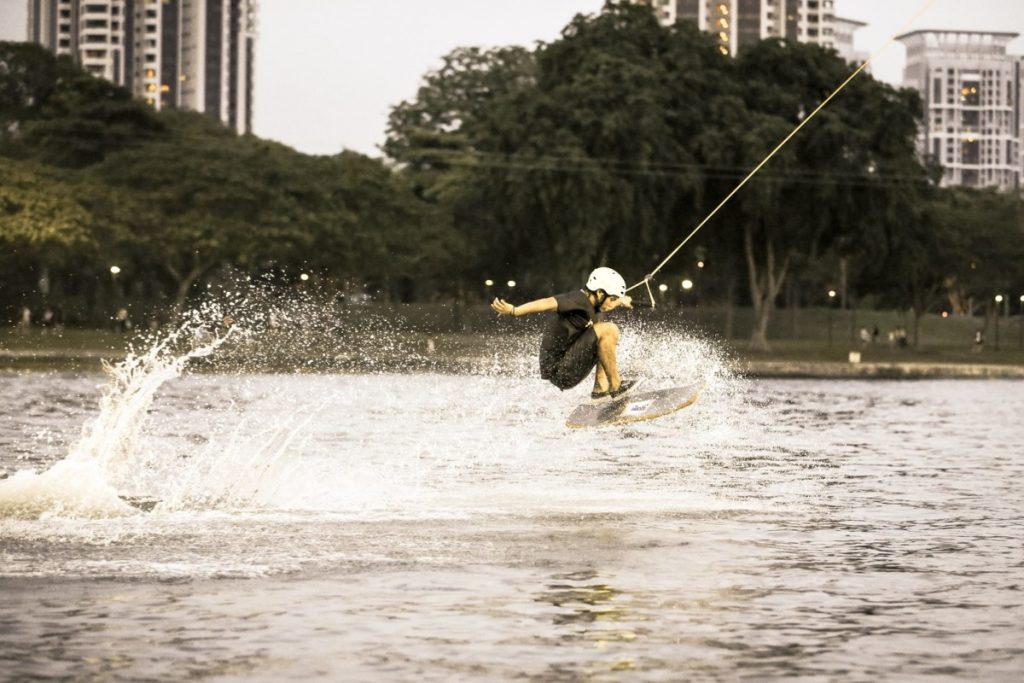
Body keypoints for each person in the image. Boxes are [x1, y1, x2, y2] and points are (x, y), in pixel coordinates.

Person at [490, 267, 642, 403]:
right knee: (609, 330)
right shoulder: (577, 299)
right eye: (612, 299)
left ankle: (600, 391)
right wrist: (514, 311)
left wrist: (621, 300)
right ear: (600, 293)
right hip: (560, 370)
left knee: (602, 334)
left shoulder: (591, 305)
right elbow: (546, 303)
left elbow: (606, 306)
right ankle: (616, 387)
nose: (613, 304)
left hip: (565, 367)